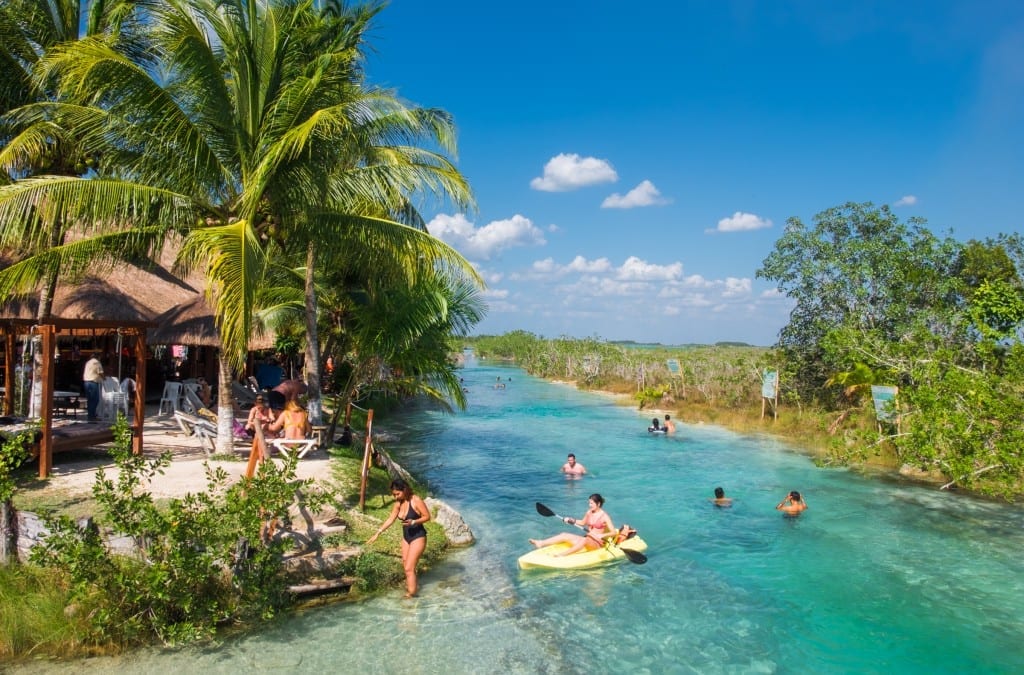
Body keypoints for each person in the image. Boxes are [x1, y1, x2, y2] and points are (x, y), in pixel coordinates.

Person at [366, 478, 431, 598]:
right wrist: (378, 533)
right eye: (394, 494)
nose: (395, 497)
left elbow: (427, 517)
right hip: (406, 537)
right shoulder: (398, 503)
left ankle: (411, 595)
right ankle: (414, 585)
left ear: (405, 490)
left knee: (408, 568)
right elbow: (391, 519)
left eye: (397, 494)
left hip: (418, 536)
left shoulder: (415, 500)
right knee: (406, 564)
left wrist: (414, 522)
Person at [529, 493, 614, 557]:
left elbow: (614, 532)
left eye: (591, 503)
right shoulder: (589, 512)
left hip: (597, 544)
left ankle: (562, 555)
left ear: (598, 504)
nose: (589, 505)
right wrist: (571, 520)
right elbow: (582, 523)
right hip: (587, 539)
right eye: (589, 503)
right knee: (564, 535)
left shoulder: (605, 517)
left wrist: (601, 535)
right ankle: (540, 543)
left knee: (584, 540)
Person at [82, 354, 104, 422]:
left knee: (90, 400)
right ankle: (92, 417)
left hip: (86, 382)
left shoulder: (88, 362)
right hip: (93, 382)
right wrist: (104, 378)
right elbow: (100, 372)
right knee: (95, 400)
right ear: (98, 357)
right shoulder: (97, 362)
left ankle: (91, 415)